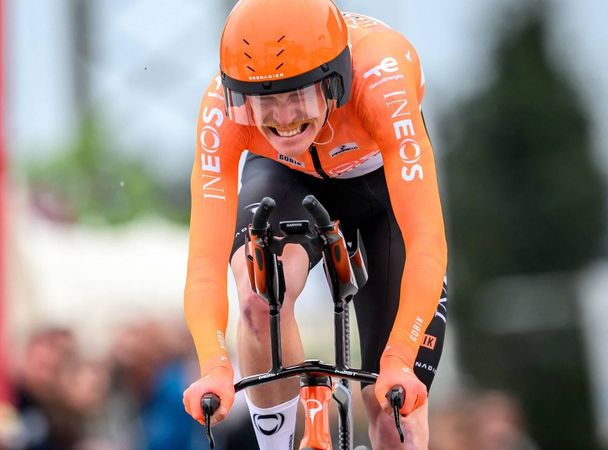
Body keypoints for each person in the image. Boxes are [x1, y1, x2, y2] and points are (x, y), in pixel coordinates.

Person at [182, 2, 448, 449]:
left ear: (335, 80)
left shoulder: (381, 79)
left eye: (297, 96)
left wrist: (400, 356)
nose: (284, 119)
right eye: (265, 101)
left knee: (393, 413)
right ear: (239, 95)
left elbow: (425, 240)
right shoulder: (221, 111)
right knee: (258, 293)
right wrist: (214, 364)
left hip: (381, 193)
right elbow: (205, 260)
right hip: (283, 178)